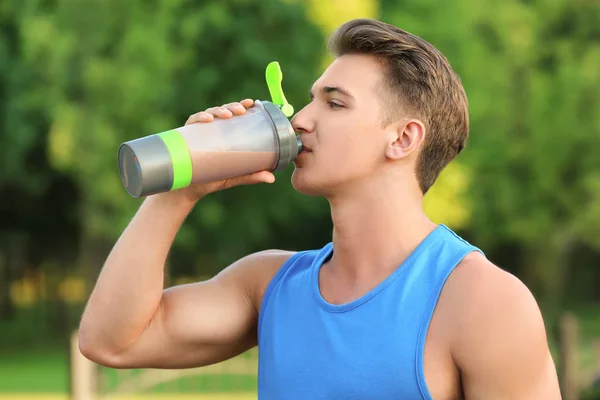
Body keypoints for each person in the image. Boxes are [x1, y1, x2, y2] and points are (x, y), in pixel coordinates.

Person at [79, 18, 562, 399]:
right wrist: (177, 191)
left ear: (403, 138)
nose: (301, 119)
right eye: (309, 100)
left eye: (334, 104)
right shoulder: (267, 286)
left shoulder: (484, 301)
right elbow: (111, 341)